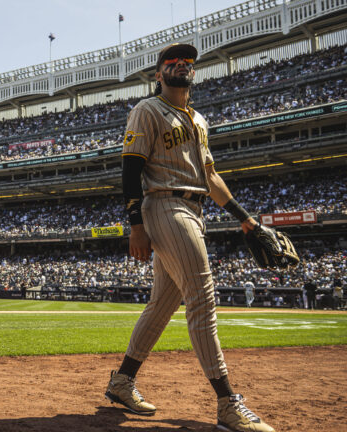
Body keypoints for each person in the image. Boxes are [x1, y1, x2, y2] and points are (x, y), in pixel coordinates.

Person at [106, 43, 274, 432]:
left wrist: (246, 220)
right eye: (172, 62)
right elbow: (131, 169)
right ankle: (228, 403)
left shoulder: (198, 119)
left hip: (195, 209)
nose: (181, 65)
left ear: (193, 71)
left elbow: (211, 178)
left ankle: (121, 381)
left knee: (163, 304)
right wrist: (135, 224)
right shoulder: (147, 110)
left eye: (187, 62)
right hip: (164, 205)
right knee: (202, 298)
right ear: (158, 74)